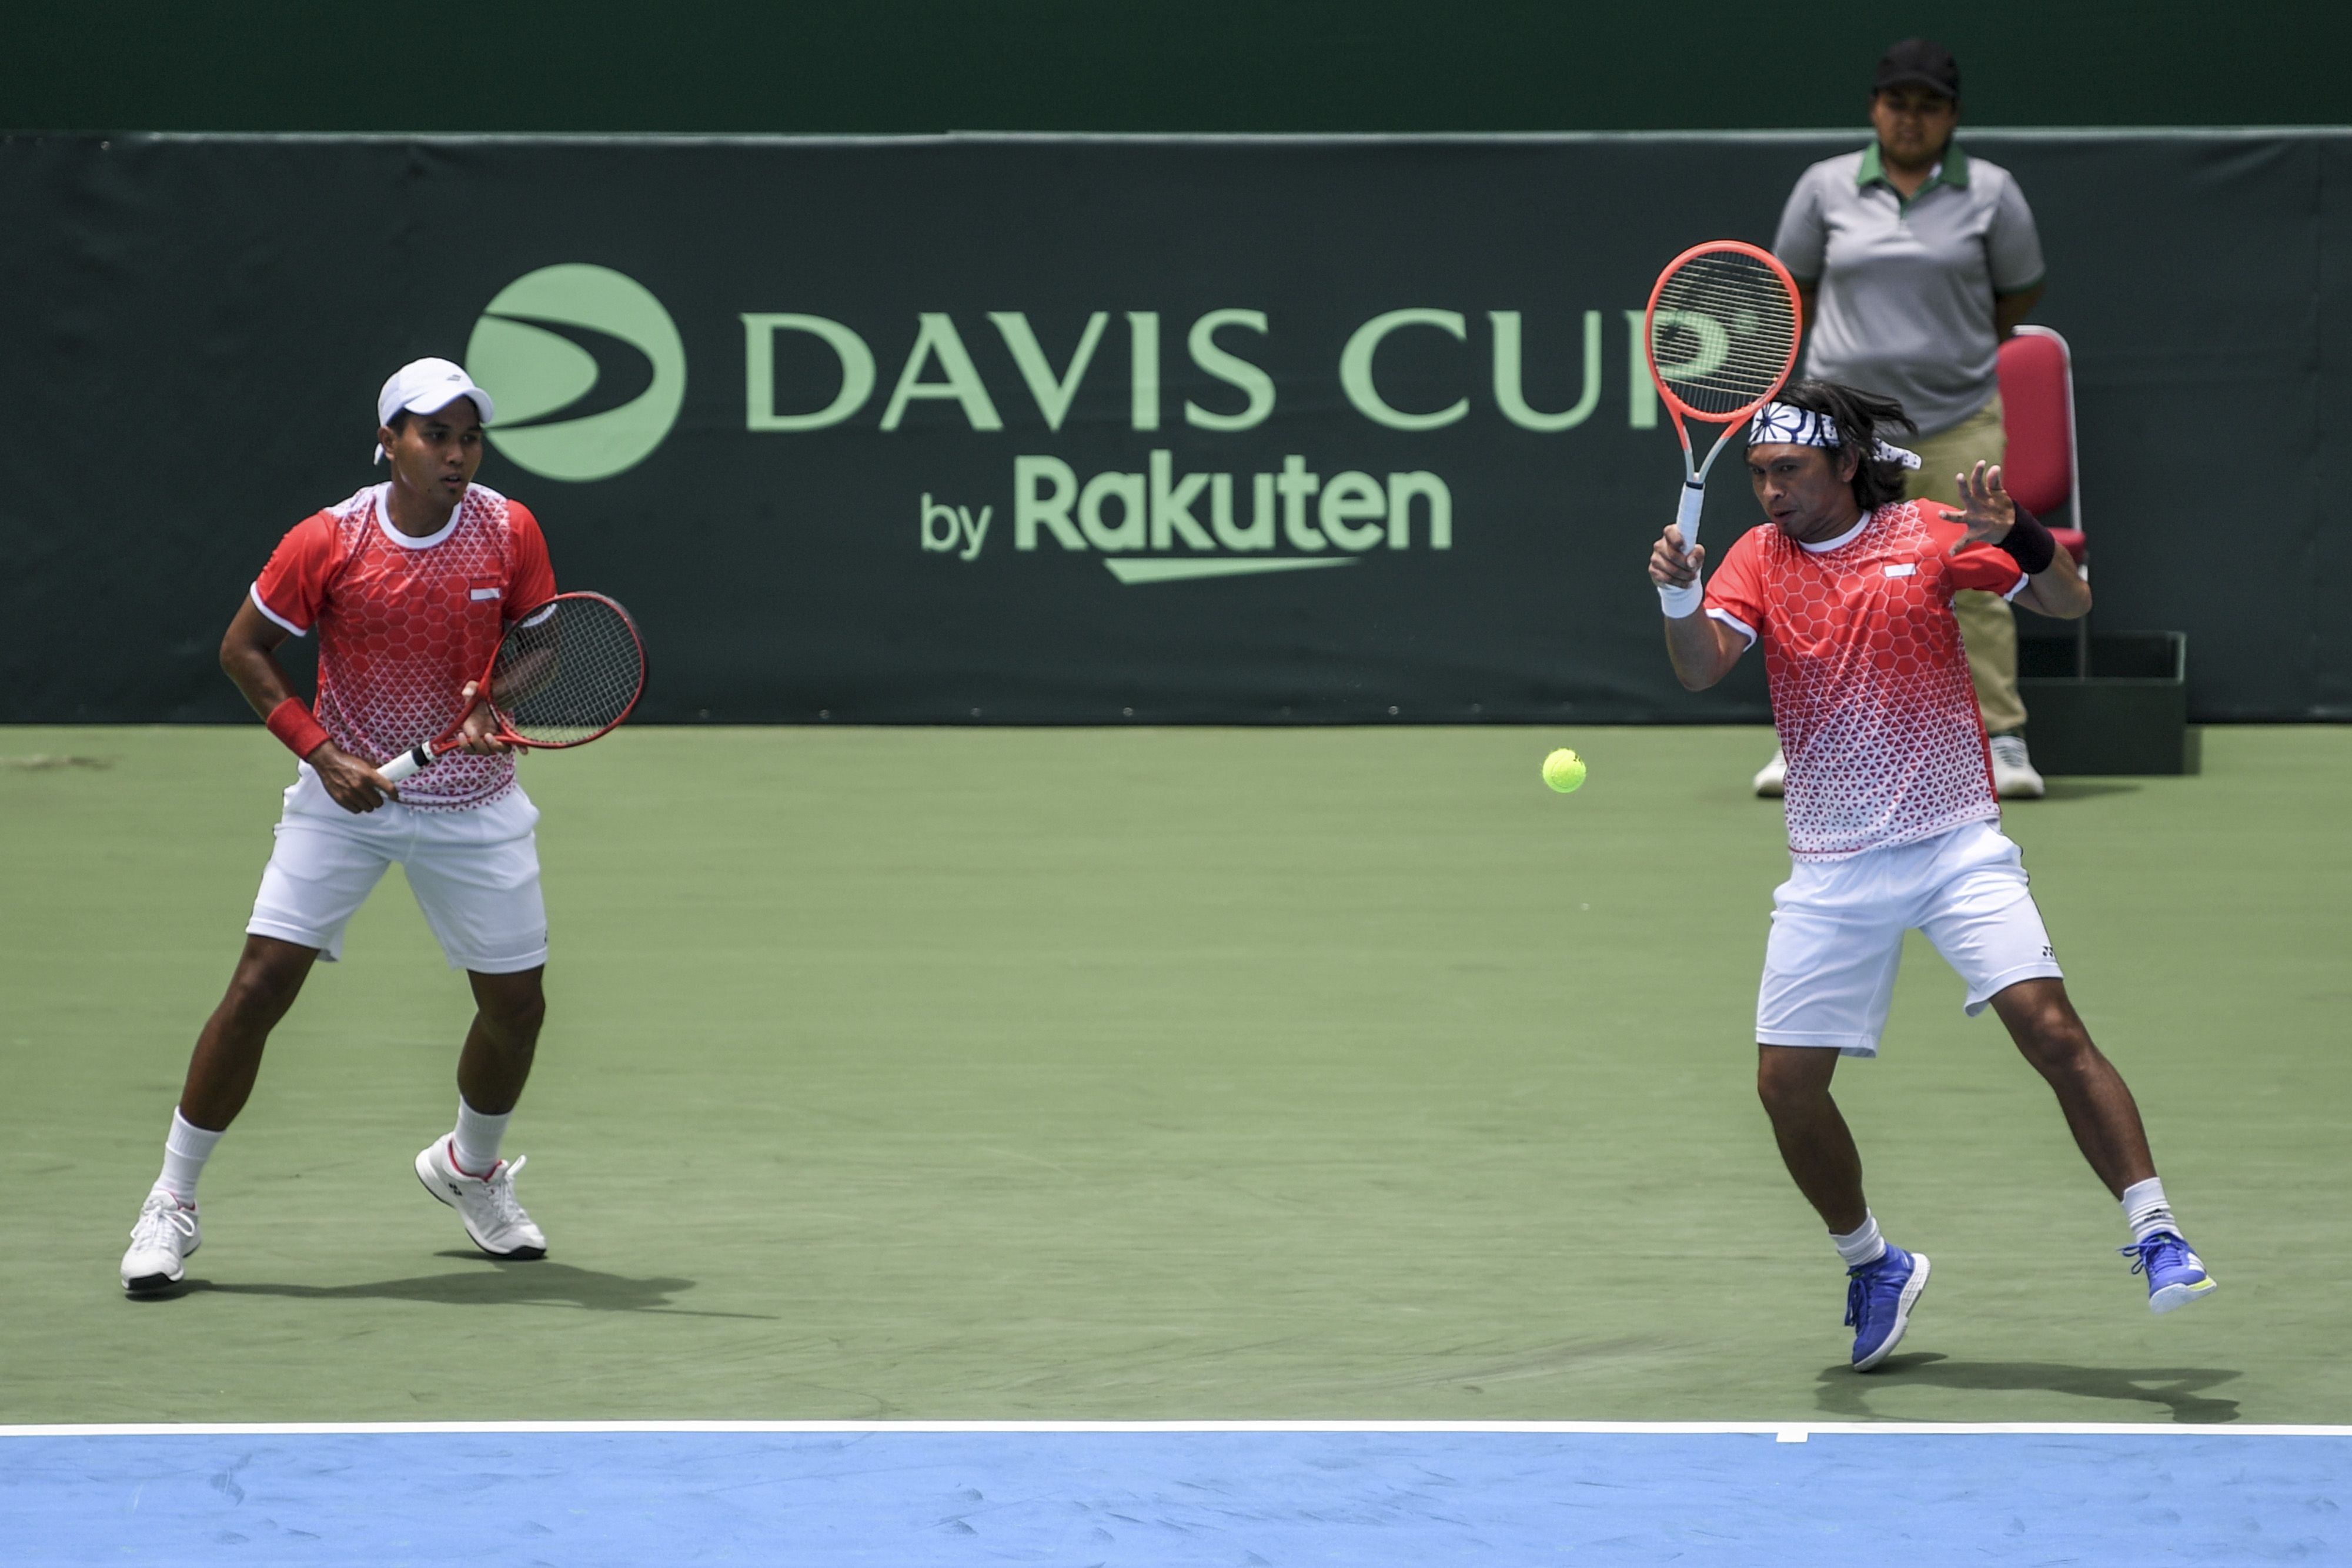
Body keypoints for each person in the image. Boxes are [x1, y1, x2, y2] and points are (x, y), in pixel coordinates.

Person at [1648, 379, 2216, 1370]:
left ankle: (2157, 1230)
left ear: (1846, 465)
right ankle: (1874, 1263)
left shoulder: (1929, 532)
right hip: (1830, 865)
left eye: (1791, 471)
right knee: (1785, 1089)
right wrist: (1677, 594)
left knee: (2050, 1028)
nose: (1772, 491)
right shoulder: (1755, 557)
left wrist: (2020, 534)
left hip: (1955, 844)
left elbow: (2070, 602)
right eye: (1760, 474)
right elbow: (1701, 667)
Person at [118, 359, 559, 1295]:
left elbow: (542, 645)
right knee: (259, 986)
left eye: (469, 437)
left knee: (517, 1008)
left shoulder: (510, 529)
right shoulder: (329, 540)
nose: (456, 454)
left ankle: (469, 1168)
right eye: (434, 435)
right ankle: (171, 1200)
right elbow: (243, 649)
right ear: (390, 441)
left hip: (475, 803)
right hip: (344, 803)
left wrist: (496, 697)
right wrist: (321, 753)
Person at [1756, 38, 2051, 801]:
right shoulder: (1823, 188)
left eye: (1928, 106)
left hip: (1958, 416)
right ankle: (1812, 737)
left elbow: (2018, 293)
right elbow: (1798, 288)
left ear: (1952, 115)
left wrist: (1946, 350)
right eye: (1897, 103)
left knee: (1980, 570)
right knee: (1823, 578)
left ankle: (2001, 738)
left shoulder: (1993, 192)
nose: (1910, 119)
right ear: (1875, 109)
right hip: (1841, 432)